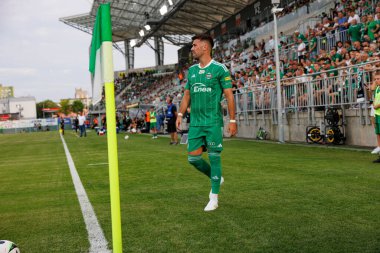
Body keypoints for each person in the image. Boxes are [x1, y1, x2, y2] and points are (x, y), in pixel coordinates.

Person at [176, 34, 237, 211]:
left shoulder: (220, 69)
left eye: (194, 45)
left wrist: (232, 120)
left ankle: (214, 197)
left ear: (205, 47)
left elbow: (229, 96)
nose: (192, 48)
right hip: (195, 122)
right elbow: (187, 95)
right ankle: (215, 176)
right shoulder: (192, 71)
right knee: (193, 158)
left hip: (212, 122)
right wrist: (180, 114)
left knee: (214, 157)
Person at [371, 72, 380, 161]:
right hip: (377, 114)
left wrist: (377, 106)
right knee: (378, 133)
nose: (377, 80)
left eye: (378, 79)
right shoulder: (377, 88)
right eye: (375, 79)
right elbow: (372, 89)